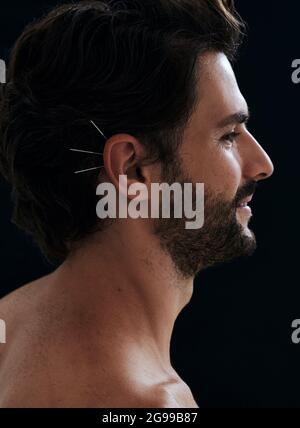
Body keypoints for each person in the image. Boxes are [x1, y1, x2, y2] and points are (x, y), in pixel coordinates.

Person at [0, 0, 274, 407]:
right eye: (228, 135)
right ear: (131, 171)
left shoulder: (8, 325)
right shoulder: (150, 406)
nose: (263, 164)